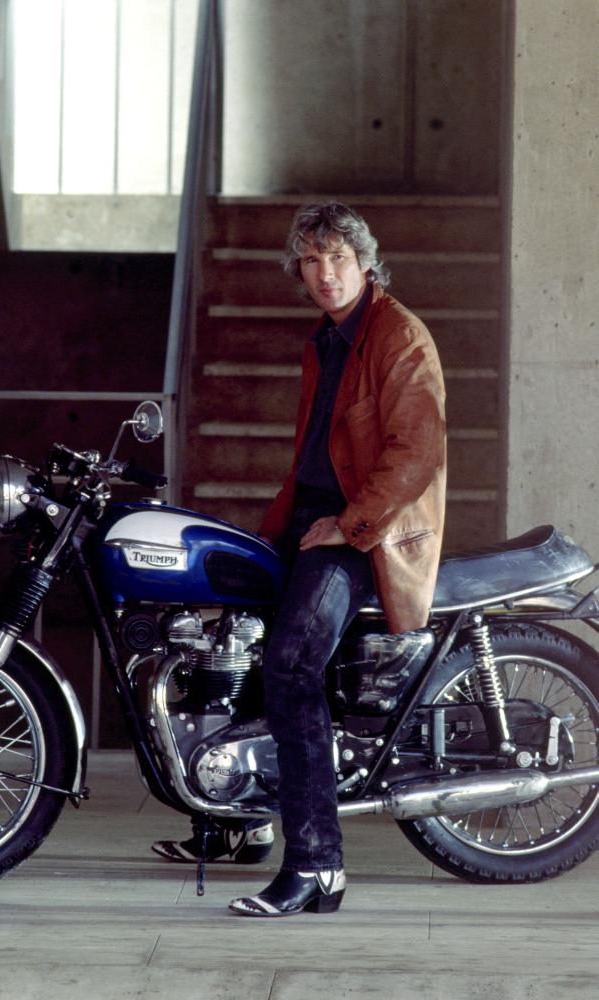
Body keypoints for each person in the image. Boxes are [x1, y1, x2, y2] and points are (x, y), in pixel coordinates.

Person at [154, 202, 447, 917]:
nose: (325, 273)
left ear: (365, 264)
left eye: (338, 258)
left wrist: (349, 525)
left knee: (290, 664)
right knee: (237, 631)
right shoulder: (326, 339)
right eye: (312, 261)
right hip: (316, 521)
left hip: (366, 533)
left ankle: (318, 865)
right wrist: (269, 536)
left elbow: (418, 450)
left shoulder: (398, 334)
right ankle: (243, 818)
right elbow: (313, 458)